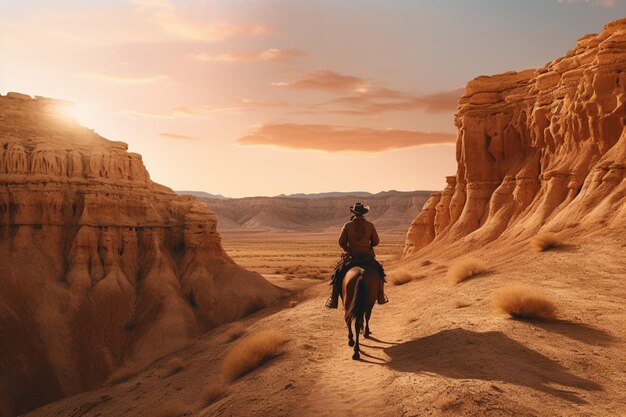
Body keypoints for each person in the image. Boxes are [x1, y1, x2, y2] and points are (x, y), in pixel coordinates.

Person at [325, 202, 388, 308]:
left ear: (354, 212)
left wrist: (347, 248)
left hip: (351, 256)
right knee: (380, 272)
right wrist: (369, 245)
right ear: (364, 213)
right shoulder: (370, 225)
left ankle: (333, 299)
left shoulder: (348, 225)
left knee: (337, 273)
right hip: (367, 256)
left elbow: (341, 242)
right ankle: (381, 296)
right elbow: (376, 241)